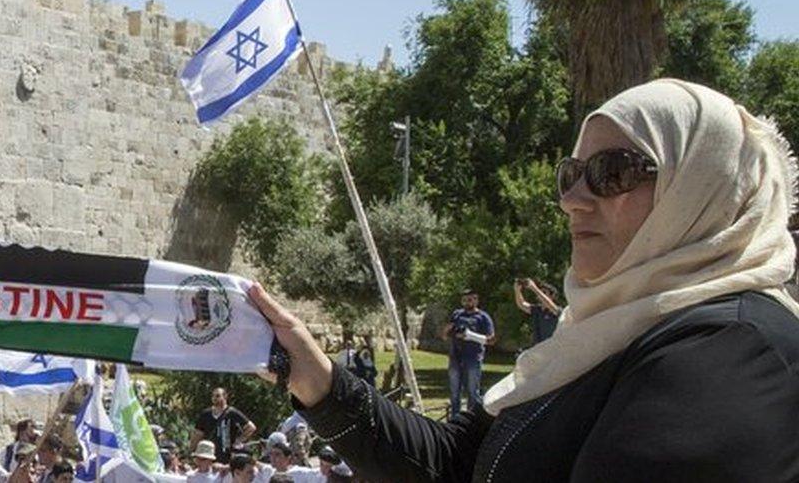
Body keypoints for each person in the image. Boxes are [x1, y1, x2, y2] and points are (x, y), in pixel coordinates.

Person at [247, 79, 799, 481]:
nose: (572, 200)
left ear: (702, 189)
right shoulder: (601, 332)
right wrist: (316, 378)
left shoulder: (729, 352)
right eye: (572, 174)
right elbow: (451, 464)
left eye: (613, 173)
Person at [439, 290, 495, 418]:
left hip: (473, 358)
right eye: (464, 300)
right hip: (455, 356)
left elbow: (491, 340)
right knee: (454, 392)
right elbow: (445, 335)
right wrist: (449, 330)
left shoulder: (483, 317)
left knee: (472, 391)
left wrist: (471, 336)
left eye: (470, 300)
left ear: (476, 300)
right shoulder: (457, 314)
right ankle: (454, 418)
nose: (467, 303)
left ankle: (471, 420)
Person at [190, 388, 256, 464]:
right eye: (213, 396)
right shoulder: (206, 414)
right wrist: (193, 451)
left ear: (225, 397)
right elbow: (198, 434)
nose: (214, 398)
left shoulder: (232, 413)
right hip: (208, 455)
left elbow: (251, 427)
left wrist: (239, 440)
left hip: (227, 456)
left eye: (217, 396)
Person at [513, 278, 562, 344]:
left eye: (544, 292)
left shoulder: (557, 310)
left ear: (552, 296)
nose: (540, 295)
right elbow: (521, 304)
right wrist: (517, 290)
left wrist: (534, 288)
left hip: (553, 348)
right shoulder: (537, 309)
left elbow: (551, 306)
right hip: (538, 348)